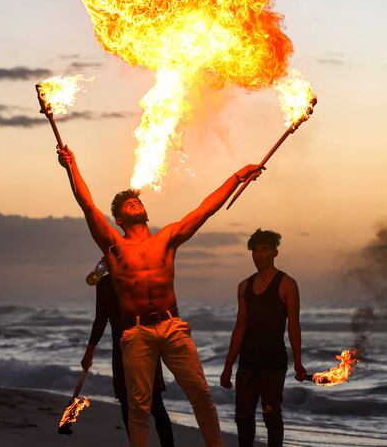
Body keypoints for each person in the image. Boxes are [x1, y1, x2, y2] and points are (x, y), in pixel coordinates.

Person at [57, 144, 261, 447]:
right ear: (118, 219)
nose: (133, 204)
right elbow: (86, 205)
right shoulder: (113, 245)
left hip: (171, 326)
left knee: (202, 395)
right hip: (136, 332)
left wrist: (237, 176)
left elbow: (205, 209)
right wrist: (71, 166)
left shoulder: (166, 238)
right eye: (127, 204)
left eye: (136, 201)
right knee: (139, 406)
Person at [220, 229, 307, 447]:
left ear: (274, 252)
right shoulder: (244, 286)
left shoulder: (287, 284)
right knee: (243, 417)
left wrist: (298, 363)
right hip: (247, 361)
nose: (259, 255)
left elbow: (294, 326)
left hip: (273, 362)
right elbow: (239, 328)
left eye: (264, 250)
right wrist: (228, 366)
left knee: (271, 416)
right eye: (255, 250)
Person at [81, 260, 175, 446]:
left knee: (155, 403)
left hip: (146, 347)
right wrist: (89, 352)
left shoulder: (141, 281)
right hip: (121, 349)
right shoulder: (104, 285)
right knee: (126, 403)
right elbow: (100, 320)